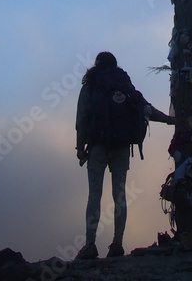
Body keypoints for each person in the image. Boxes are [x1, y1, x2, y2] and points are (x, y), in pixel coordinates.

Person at [74, 51, 173, 260]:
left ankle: (90, 244)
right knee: (119, 195)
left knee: (95, 195)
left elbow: (82, 118)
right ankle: (117, 244)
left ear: (97, 65)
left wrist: (80, 148)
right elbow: (145, 108)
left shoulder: (91, 85)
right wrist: (169, 120)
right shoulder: (124, 85)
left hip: (98, 147)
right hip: (121, 147)